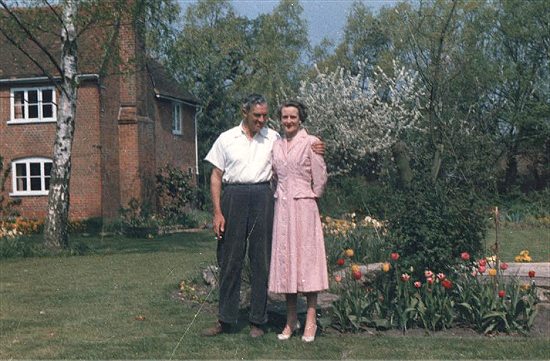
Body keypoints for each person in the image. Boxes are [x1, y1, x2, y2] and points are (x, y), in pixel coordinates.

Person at [202, 94, 323, 338]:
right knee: (230, 259)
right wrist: (217, 211)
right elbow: (216, 175)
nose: (261, 120)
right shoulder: (226, 138)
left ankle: (258, 320)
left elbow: (295, 147)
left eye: (265, 115)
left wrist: (317, 145)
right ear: (244, 112)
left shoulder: (273, 138)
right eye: (257, 115)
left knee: (261, 259)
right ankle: (225, 320)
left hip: (262, 197)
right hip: (233, 196)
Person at [268, 100, 328, 343]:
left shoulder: (311, 142)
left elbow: (321, 176)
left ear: (300, 119)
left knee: (307, 263)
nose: (289, 121)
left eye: (293, 117)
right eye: (285, 117)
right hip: (282, 209)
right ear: (280, 120)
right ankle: (291, 319)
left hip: (304, 208)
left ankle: (311, 320)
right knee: (287, 264)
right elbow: (274, 176)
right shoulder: (276, 145)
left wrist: (309, 195)